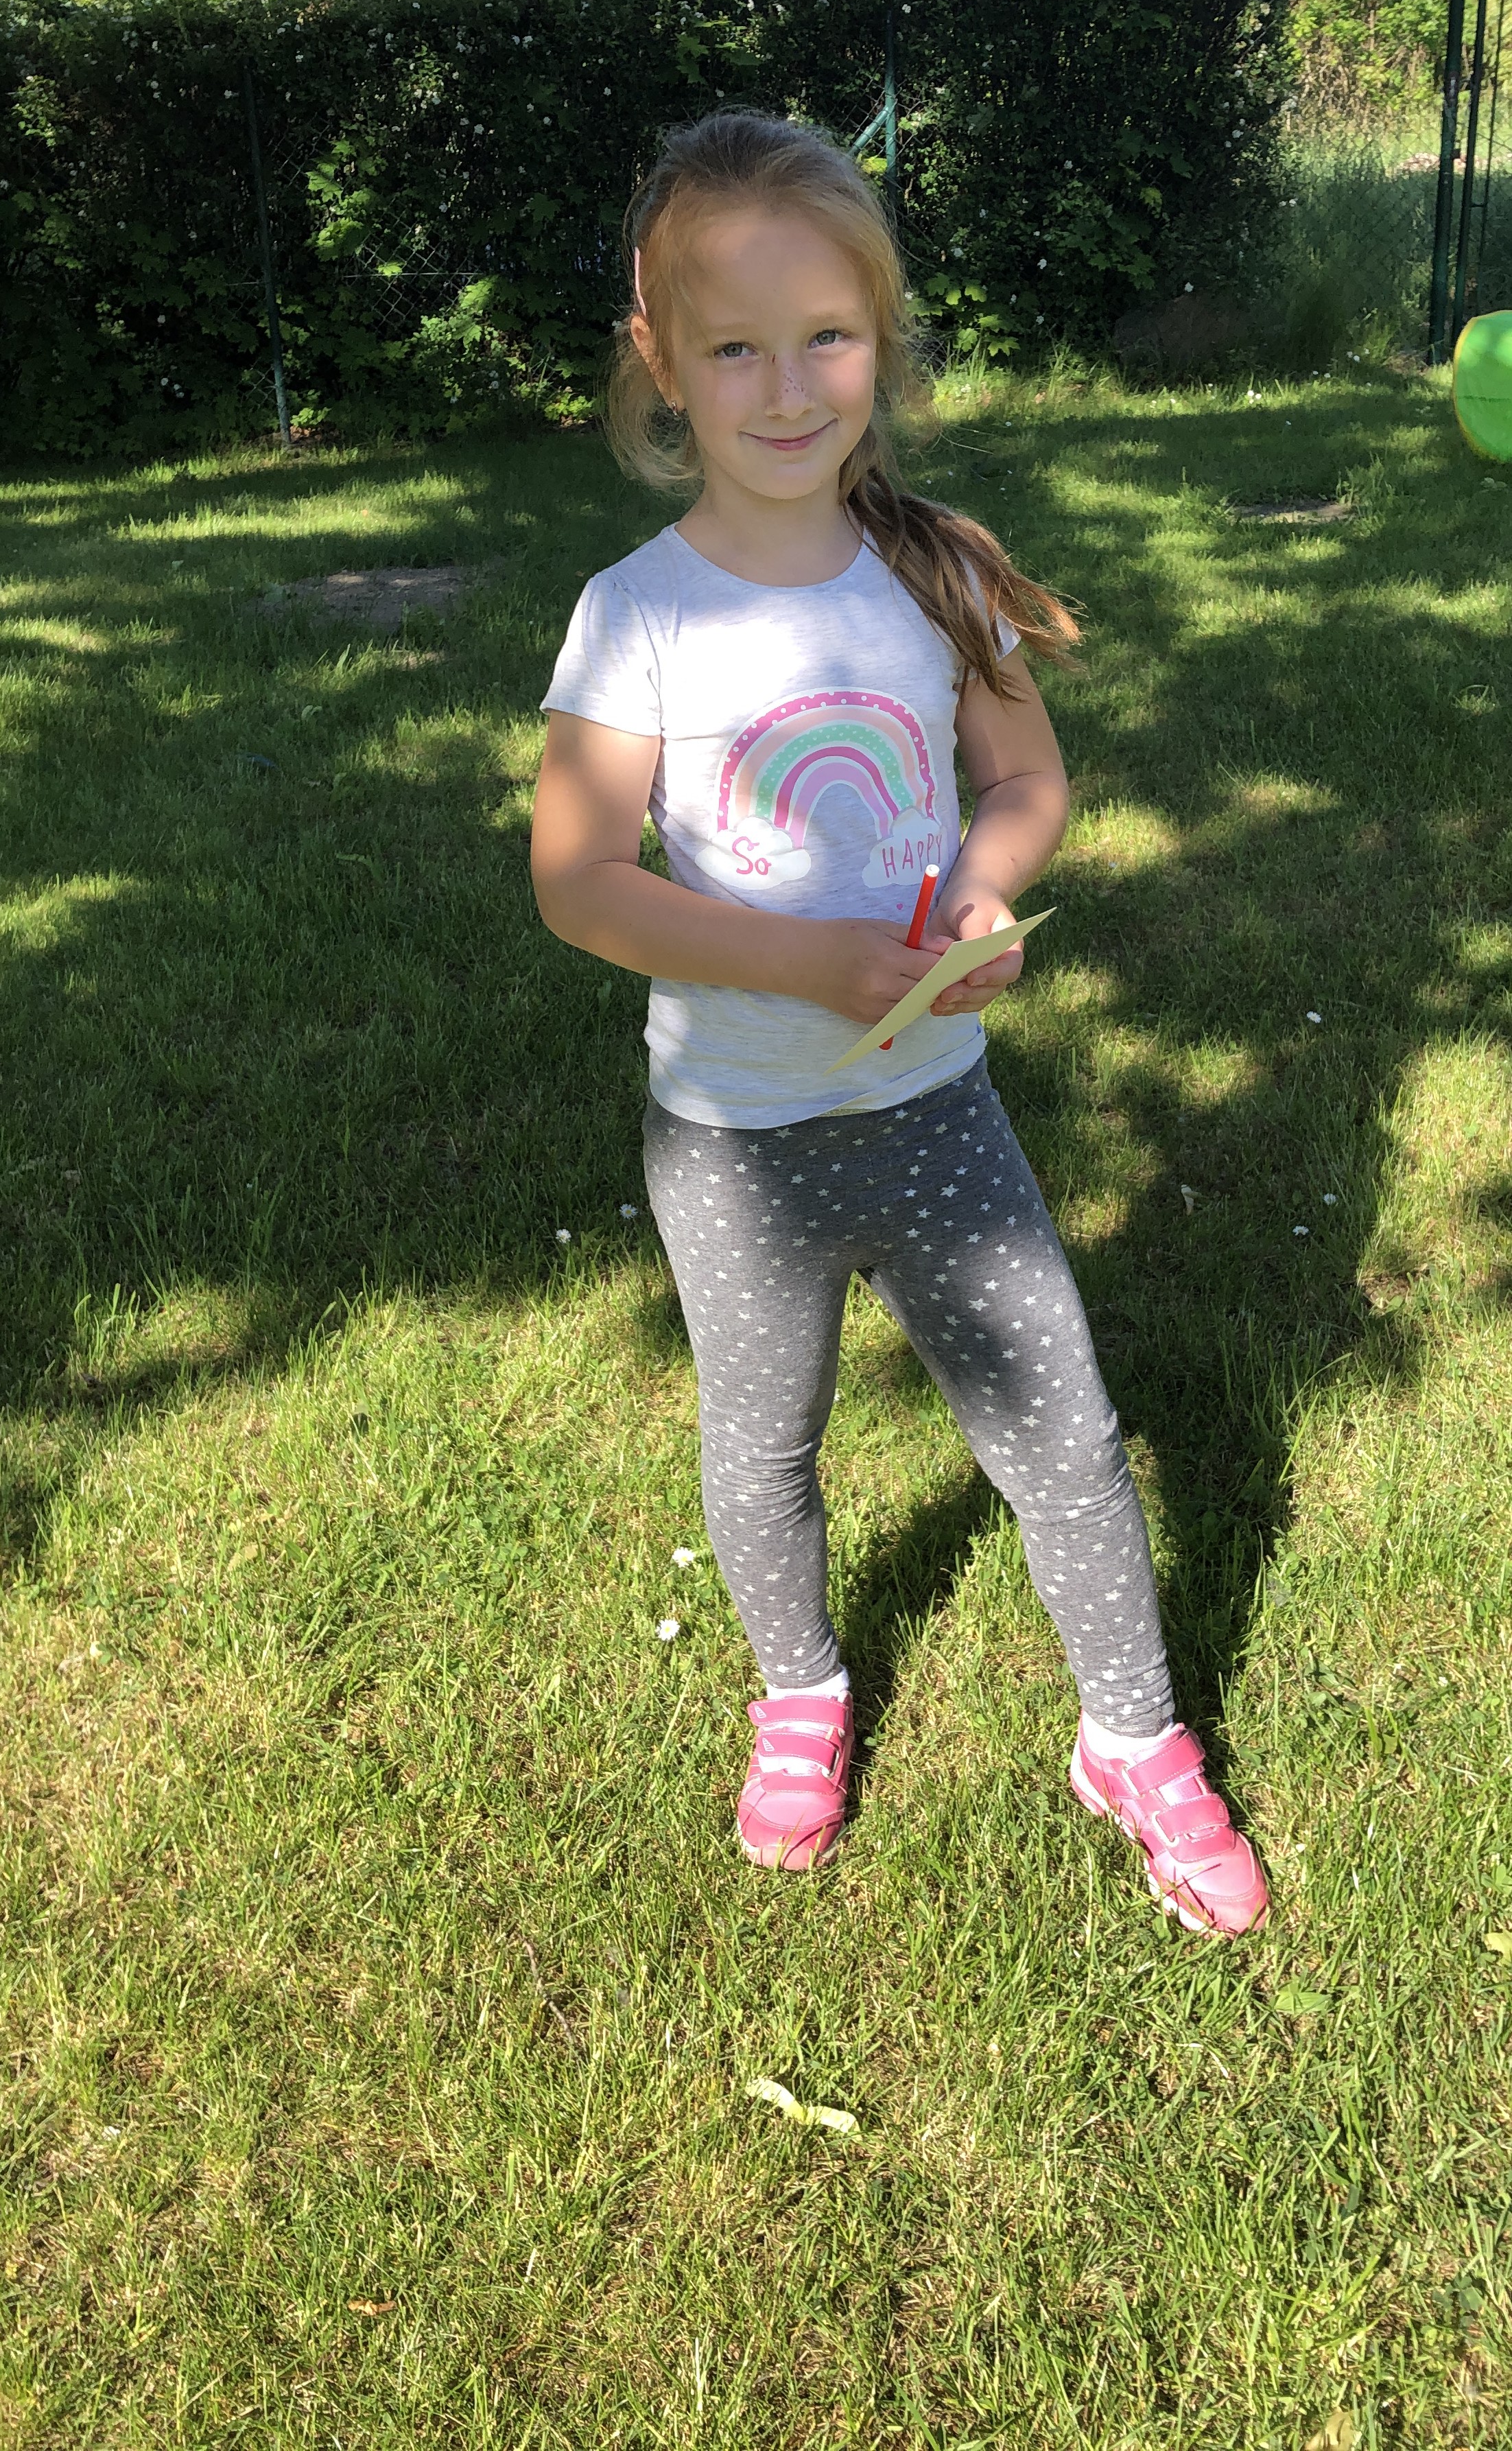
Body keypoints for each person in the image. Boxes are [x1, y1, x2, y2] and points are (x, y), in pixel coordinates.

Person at [530, 108, 1266, 1937]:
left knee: (1062, 1427)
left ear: (884, 336)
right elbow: (580, 882)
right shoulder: (636, 617)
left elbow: (1026, 779)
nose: (788, 390)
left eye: (827, 338)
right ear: (659, 362)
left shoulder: (935, 569)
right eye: (735, 349)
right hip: (738, 1139)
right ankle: (798, 1691)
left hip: (938, 1106)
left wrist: (987, 889)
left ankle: (1132, 1735)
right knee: (761, 1439)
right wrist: (800, 963)